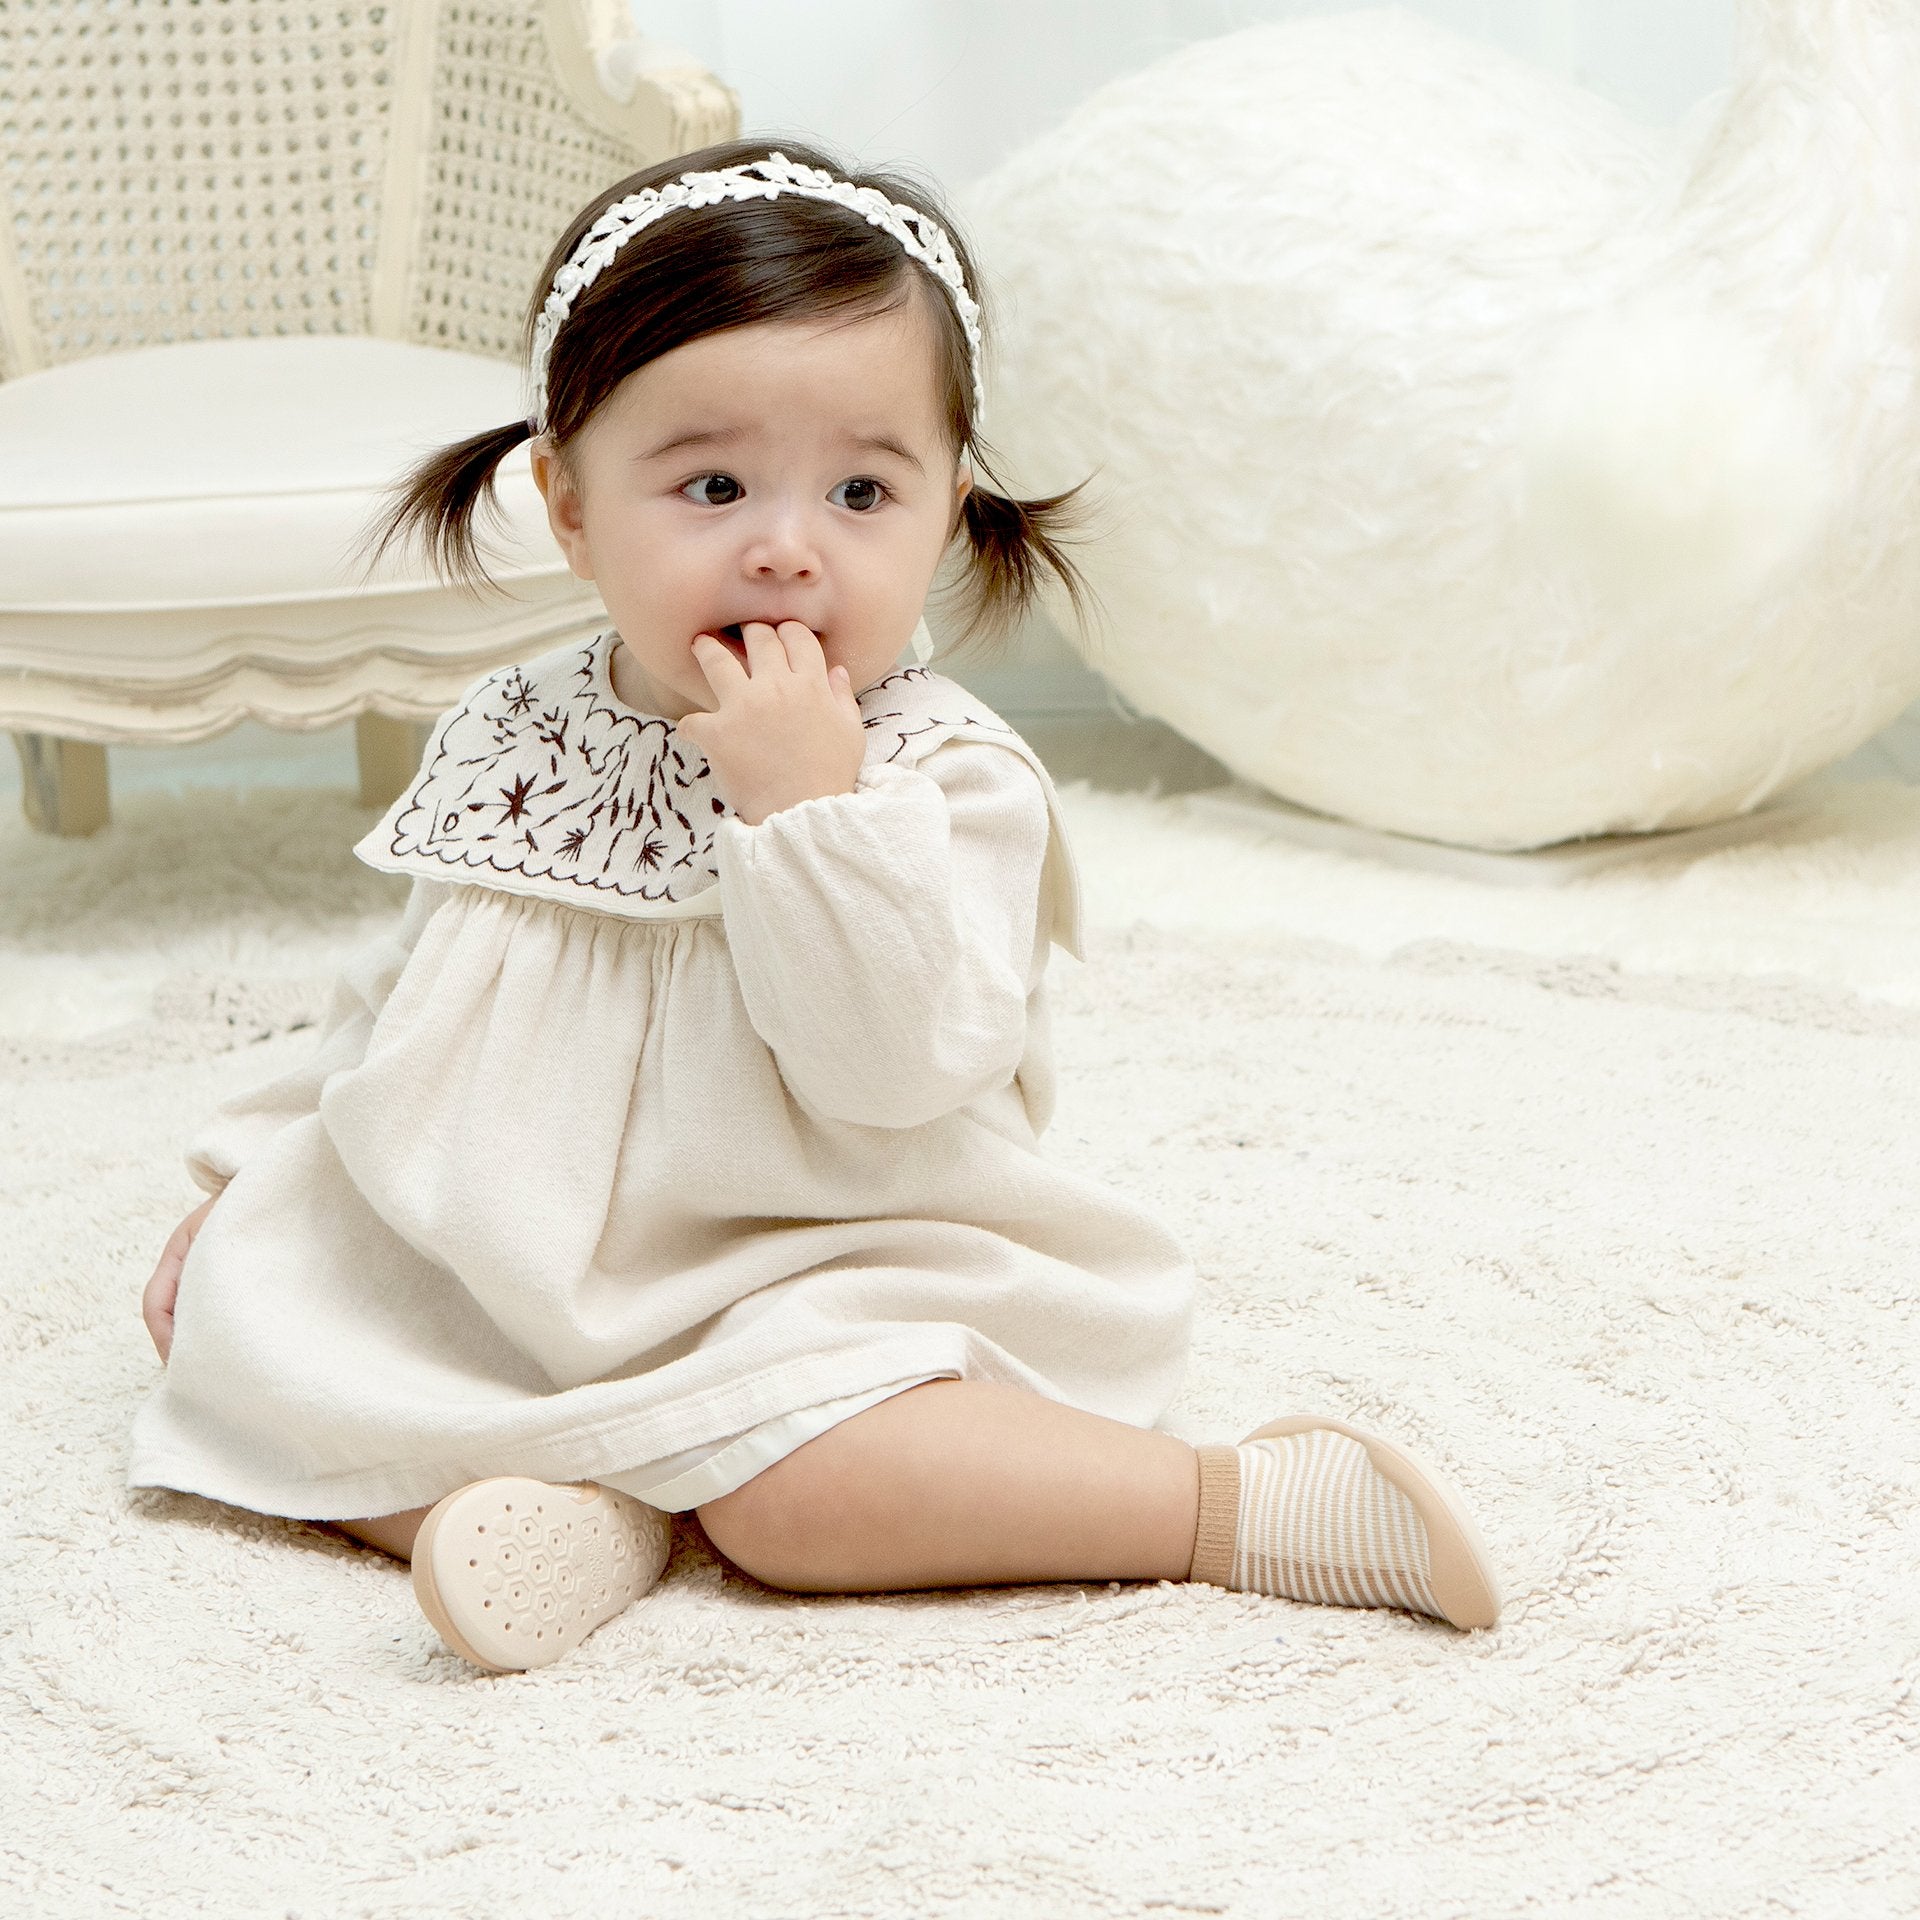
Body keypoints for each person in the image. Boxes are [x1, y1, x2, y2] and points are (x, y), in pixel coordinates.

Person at [131, 141, 1501, 1674]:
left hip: (818, 1261)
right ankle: (596, 1508)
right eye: (712, 484)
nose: (788, 543)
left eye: (862, 489)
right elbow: (404, 990)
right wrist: (245, 1171)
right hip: (518, 1252)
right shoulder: (515, 726)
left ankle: (1238, 1504)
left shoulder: (945, 774)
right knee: (249, 1328)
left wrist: (810, 816)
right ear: (572, 506)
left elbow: (895, 1070)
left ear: (945, 514)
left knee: (808, 1500)